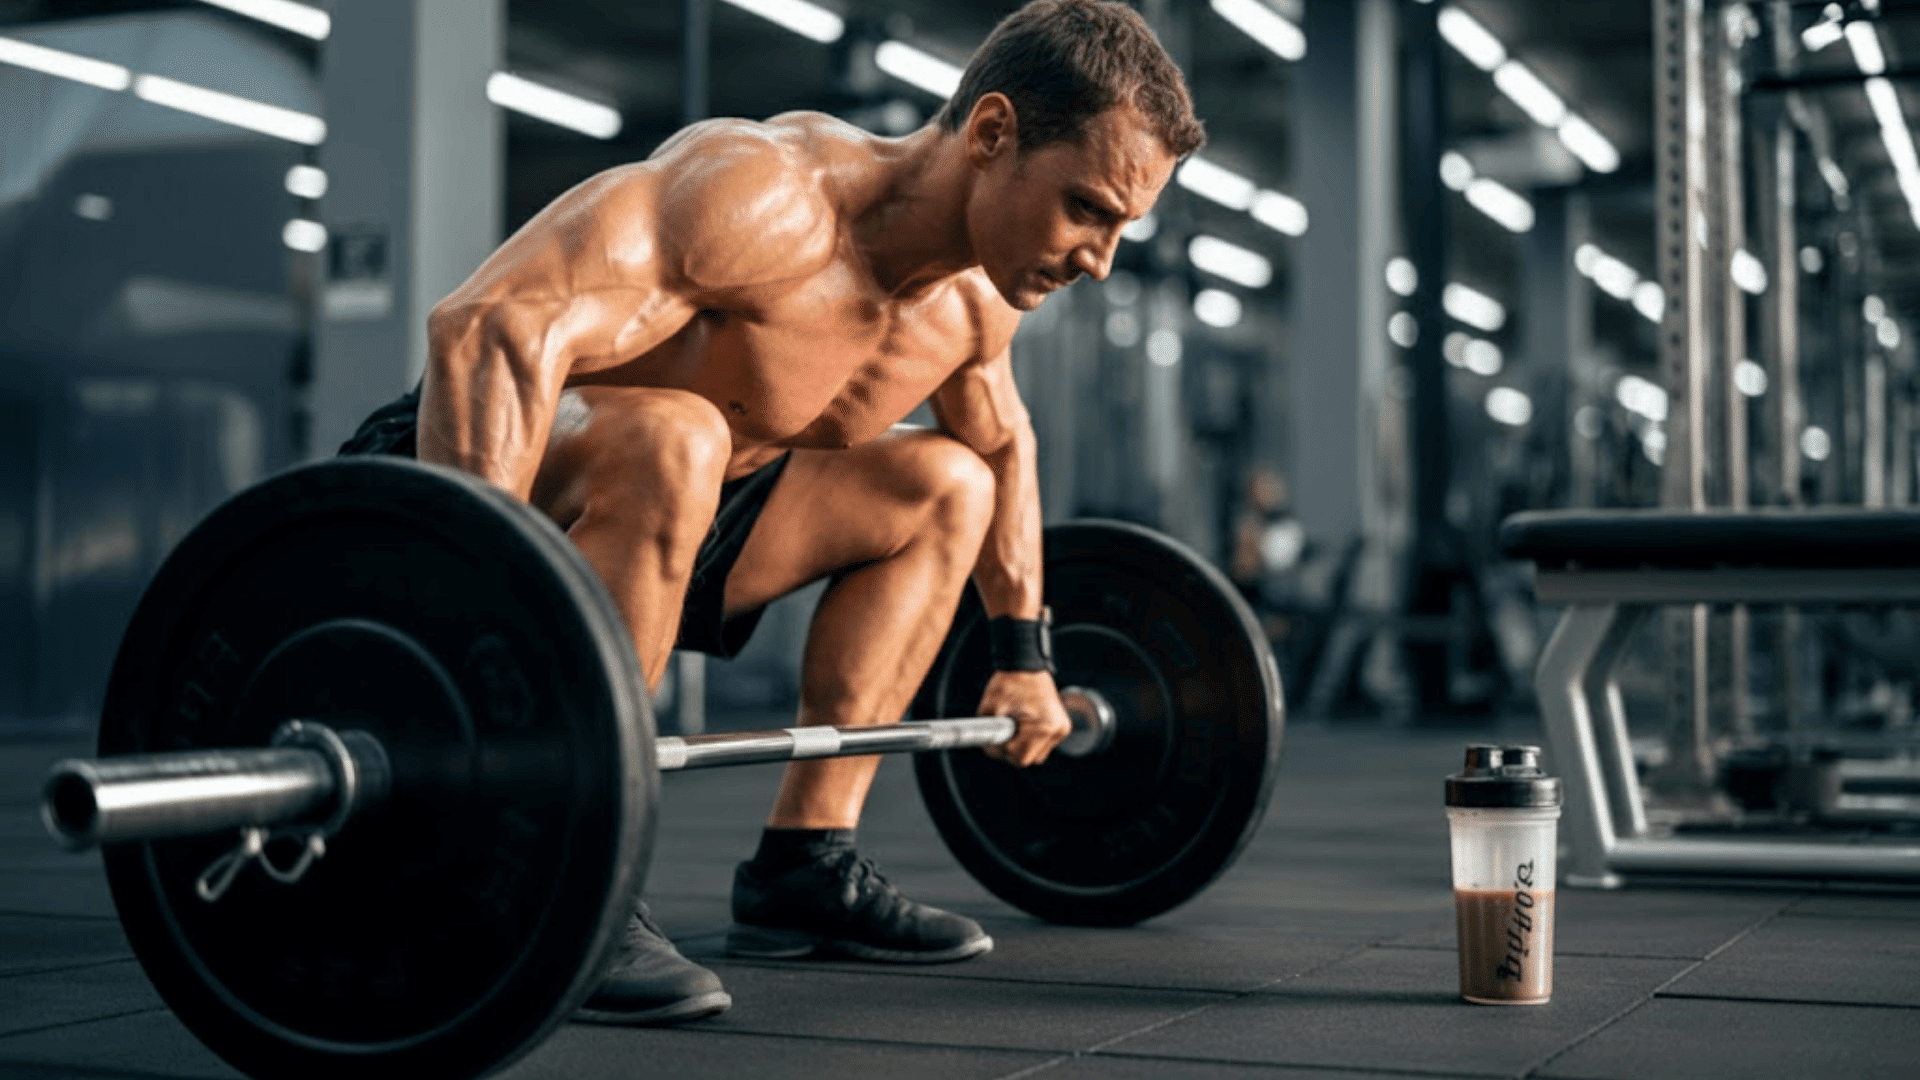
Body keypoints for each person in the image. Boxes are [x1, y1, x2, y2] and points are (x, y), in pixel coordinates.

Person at [339, 0, 1204, 1026]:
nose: (1101, 258)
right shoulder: (764, 197)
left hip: (691, 520)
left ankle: (806, 864)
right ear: (991, 134)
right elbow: (487, 329)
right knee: (677, 435)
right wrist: (480, 624)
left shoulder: (969, 307)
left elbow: (1004, 445)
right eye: (1086, 210)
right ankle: (562, 869)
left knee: (946, 485)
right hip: (461, 492)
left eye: (1119, 228)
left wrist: (1024, 655)